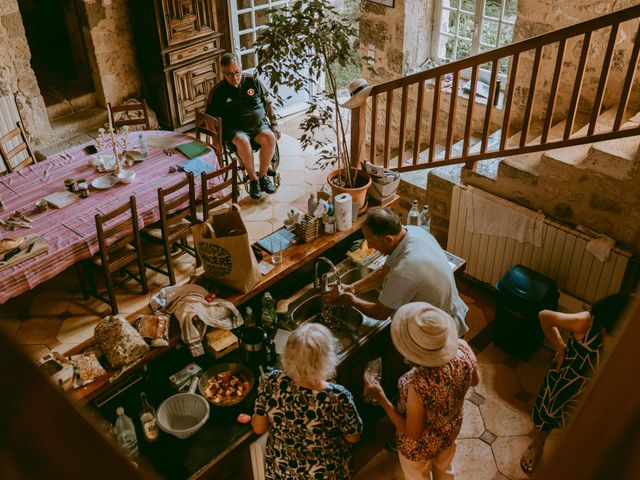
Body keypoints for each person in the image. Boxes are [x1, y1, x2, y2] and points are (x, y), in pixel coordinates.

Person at [520, 292, 634, 474]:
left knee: (575, 423)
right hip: (565, 381)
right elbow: (544, 316)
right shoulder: (586, 322)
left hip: (590, 388)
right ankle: (537, 445)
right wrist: (560, 348)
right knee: (548, 418)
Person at [364, 302, 479, 480]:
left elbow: (412, 433)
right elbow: (475, 380)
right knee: (446, 471)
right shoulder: (463, 347)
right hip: (450, 432)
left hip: (419, 449)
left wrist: (382, 399)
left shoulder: (417, 384)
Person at [329, 207, 469, 337]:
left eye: (371, 241)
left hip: (439, 333)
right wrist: (352, 288)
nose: (369, 246)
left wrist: (351, 301)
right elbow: (383, 271)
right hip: (451, 310)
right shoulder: (413, 231)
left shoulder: (404, 271)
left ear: (389, 239)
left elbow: (380, 312)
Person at [251, 323, 362, 479]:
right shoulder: (338, 397)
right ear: (326, 360)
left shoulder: (272, 382)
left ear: (287, 356)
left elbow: (259, 428)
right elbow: (353, 437)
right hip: (324, 473)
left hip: (284, 471)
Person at [206, 52, 281, 200]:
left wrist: (274, 123)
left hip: (258, 126)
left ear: (241, 68)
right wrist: (215, 139)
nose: (234, 78)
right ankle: (253, 179)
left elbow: (268, 102)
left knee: (270, 138)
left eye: (237, 72)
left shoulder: (253, 80)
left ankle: (263, 176)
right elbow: (209, 118)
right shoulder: (217, 92)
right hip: (234, 129)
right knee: (242, 141)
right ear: (223, 73)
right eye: (229, 75)